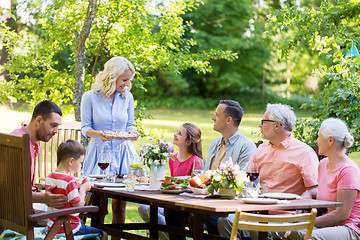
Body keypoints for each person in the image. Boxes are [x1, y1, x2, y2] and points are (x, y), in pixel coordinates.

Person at [218, 103, 319, 239]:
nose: (260, 125)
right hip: (257, 213)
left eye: (263, 122)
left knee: (256, 229)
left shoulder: (304, 152)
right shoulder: (261, 150)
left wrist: (304, 200)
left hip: (286, 219)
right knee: (226, 221)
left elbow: (314, 189)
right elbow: (244, 178)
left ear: (277, 125)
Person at [80, 56, 139, 235]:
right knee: (97, 202)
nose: (127, 84)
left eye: (129, 80)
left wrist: (133, 133)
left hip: (122, 153)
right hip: (99, 154)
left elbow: (130, 124)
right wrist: (98, 134)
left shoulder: (127, 97)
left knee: (120, 203)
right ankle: (92, 236)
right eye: (124, 80)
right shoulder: (90, 97)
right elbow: (85, 128)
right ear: (112, 77)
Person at [289, 118, 360, 240]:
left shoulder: (348, 170)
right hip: (330, 225)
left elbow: (342, 214)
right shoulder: (323, 164)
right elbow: (328, 191)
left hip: (349, 227)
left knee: (305, 235)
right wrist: (309, 193)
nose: (316, 141)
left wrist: (308, 221)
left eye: (319, 137)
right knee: (291, 231)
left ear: (330, 140)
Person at [138, 123, 203, 240]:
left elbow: (195, 188)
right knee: (143, 208)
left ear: (188, 142)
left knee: (159, 213)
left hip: (185, 206)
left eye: (180, 133)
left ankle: (168, 235)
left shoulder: (195, 161)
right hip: (171, 201)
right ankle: (166, 236)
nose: (175, 134)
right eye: (177, 132)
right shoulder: (173, 158)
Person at [204, 100, 257, 235]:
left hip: (228, 207)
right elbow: (204, 176)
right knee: (172, 211)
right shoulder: (215, 143)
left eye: (216, 114)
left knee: (208, 216)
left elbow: (244, 185)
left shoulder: (246, 146)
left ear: (228, 120)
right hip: (207, 201)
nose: (212, 118)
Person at [11, 100, 68, 209]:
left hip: (19, 209)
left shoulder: (17, 136)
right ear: (38, 121)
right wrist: (44, 198)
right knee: (70, 213)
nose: (56, 131)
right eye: (53, 125)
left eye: (58, 126)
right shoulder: (21, 144)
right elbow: (15, 190)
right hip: (22, 212)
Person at [45, 140, 107, 239]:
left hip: (52, 228)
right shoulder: (69, 181)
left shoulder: (50, 177)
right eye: (80, 162)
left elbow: (64, 192)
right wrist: (83, 189)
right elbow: (78, 206)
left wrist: (75, 185)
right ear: (71, 161)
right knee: (103, 234)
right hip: (69, 229)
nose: (79, 167)